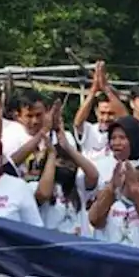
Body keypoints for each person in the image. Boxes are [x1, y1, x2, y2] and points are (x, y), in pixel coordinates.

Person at [31, 101, 100, 237]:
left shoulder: (78, 187)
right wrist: (51, 154)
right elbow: (43, 194)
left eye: (71, 164)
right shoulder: (34, 187)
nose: (67, 167)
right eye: (61, 162)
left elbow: (93, 175)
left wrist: (68, 148)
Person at [88, 161, 139, 250]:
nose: (133, 183)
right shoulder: (109, 202)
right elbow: (94, 220)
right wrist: (112, 186)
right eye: (129, 178)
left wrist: (135, 190)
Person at [72, 61, 125, 158]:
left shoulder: (122, 133)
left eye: (111, 113)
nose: (106, 118)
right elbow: (77, 123)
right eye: (102, 113)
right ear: (96, 112)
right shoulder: (89, 129)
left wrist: (106, 88)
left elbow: (127, 119)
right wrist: (94, 88)